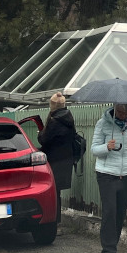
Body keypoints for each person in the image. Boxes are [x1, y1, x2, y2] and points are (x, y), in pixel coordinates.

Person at [91, 102, 127, 253]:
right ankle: (108, 252)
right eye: (120, 112)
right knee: (110, 211)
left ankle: (112, 248)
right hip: (106, 174)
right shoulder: (103, 123)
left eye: (125, 112)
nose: (122, 115)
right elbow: (94, 149)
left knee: (120, 213)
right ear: (114, 109)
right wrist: (106, 147)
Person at [37, 93, 77, 224]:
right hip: (66, 159)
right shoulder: (69, 118)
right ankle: (57, 222)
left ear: (52, 106)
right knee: (57, 191)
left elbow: (44, 140)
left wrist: (40, 134)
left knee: (53, 192)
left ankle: (54, 222)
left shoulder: (54, 121)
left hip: (54, 160)